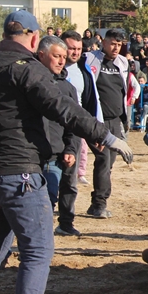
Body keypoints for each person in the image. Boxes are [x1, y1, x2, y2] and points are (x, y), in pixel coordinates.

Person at [0, 10, 132, 294]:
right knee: (38, 249)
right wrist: (108, 137)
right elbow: (64, 108)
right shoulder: (26, 69)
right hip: (20, 170)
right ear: (32, 38)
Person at [57, 30, 103, 236]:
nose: (74, 52)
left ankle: (66, 222)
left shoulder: (84, 71)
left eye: (78, 49)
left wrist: (97, 130)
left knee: (69, 179)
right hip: (50, 129)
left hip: (74, 130)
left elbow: (92, 102)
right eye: (71, 48)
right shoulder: (47, 70)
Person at [83, 28, 131, 219]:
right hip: (96, 121)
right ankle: (99, 205)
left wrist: (124, 120)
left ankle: (97, 201)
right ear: (103, 41)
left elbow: (124, 91)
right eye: (112, 43)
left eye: (119, 45)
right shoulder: (89, 59)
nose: (115, 48)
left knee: (108, 163)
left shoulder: (123, 63)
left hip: (115, 121)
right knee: (103, 160)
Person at [35, 36, 80, 230]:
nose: (62, 61)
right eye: (57, 56)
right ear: (42, 55)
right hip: (28, 155)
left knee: (49, 198)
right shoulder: (27, 82)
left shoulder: (67, 88)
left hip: (54, 155)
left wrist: (70, 147)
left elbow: (74, 122)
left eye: (64, 56)